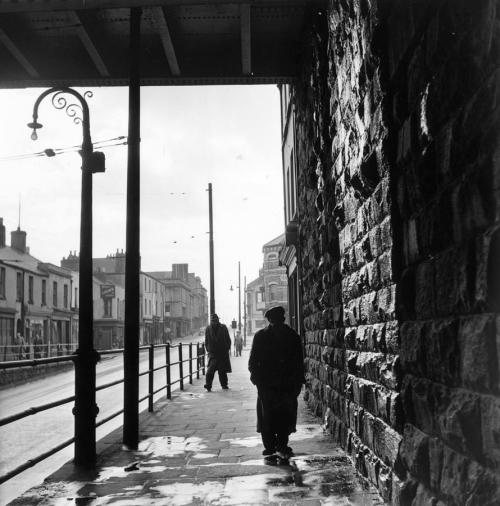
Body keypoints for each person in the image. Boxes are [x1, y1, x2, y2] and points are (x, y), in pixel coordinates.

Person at [248, 306, 305, 459]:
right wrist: (256, 378)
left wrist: (298, 381)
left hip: (286, 383)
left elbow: (298, 361)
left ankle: (282, 443)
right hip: (267, 384)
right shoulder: (261, 336)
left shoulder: (292, 336)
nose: (276, 322)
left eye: (278, 319)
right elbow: (253, 360)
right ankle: (269, 445)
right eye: (273, 320)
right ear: (270, 320)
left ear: (282, 319)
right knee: (267, 415)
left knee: (285, 414)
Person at [204, 313, 232, 391]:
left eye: (215, 320)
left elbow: (228, 339)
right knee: (210, 371)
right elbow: (206, 340)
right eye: (212, 320)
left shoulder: (223, 327)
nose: (214, 321)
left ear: (218, 320)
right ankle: (208, 385)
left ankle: (224, 385)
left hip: (222, 353)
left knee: (222, 371)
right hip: (213, 354)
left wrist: (226, 349)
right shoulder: (208, 328)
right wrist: (208, 349)